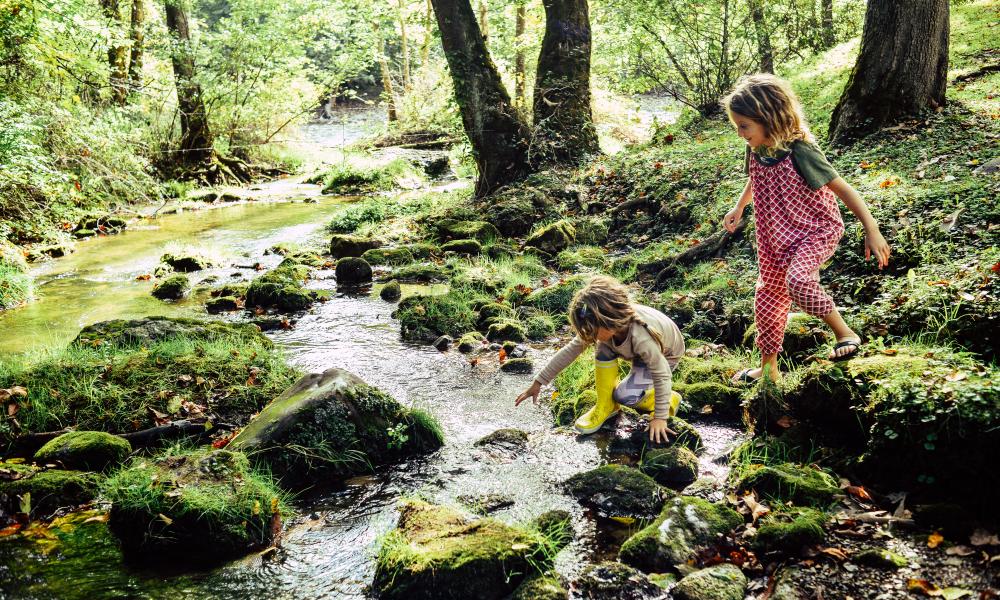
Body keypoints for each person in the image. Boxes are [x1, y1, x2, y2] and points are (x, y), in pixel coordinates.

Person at [721, 73, 891, 384]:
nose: (740, 133)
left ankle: (845, 333)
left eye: (744, 126)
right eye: (738, 127)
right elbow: (754, 179)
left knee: (798, 281)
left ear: (768, 118)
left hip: (814, 231)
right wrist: (740, 206)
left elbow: (844, 189)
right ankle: (768, 367)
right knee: (768, 297)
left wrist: (871, 228)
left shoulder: (801, 151)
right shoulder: (758, 147)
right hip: (773, 237)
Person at [514, 276, 684, 443]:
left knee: (625, 396)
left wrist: (660, 417)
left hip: (665, 354)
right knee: (602, 347)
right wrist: (538, 382)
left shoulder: (641, 337)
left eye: (591, 331)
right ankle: (605, 406)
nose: (588, 336)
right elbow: (570, 351)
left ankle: (669, 399)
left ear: (608, 320)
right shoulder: (604, 326)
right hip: (637, 351)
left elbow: (661, 373)